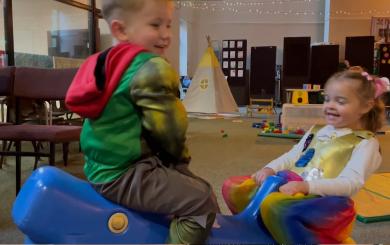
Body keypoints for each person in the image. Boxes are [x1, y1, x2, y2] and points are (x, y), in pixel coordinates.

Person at [65, 0, 219, 244]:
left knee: (186, 186)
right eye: (155, 25)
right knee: (203, 201)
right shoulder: (152, 67)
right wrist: (181, 166)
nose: (166, 35)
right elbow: (170, 131)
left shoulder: (103, 61)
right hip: (125, 173)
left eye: (168, 25)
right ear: (120, 30)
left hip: (97, 167)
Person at [222, 68, 389, 244]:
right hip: (292, 189)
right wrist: (270, 168)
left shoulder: (365, 143)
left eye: (340, 101)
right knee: (234, 187)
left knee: (276, 207)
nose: (330, 105)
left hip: (326, 203)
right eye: (327, 99)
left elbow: (350, 184)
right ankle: (264, 231)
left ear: (365, 106)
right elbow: (292, 156)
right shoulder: (317, 130)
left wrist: (306, 186)